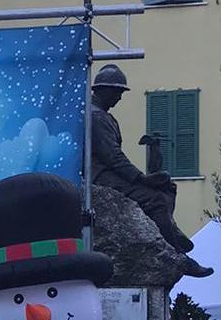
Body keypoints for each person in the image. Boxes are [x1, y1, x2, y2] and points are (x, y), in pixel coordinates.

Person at [90, 64, 213, 279]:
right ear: (104, 90)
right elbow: (113, 158)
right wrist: (141, 178)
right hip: (101, 178)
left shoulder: (102, 116)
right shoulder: (96, 117)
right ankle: (176, 255)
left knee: (167, 186)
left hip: (110, 173)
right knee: (154, 198)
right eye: (117, 92)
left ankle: (170, 230)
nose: (120, 97)